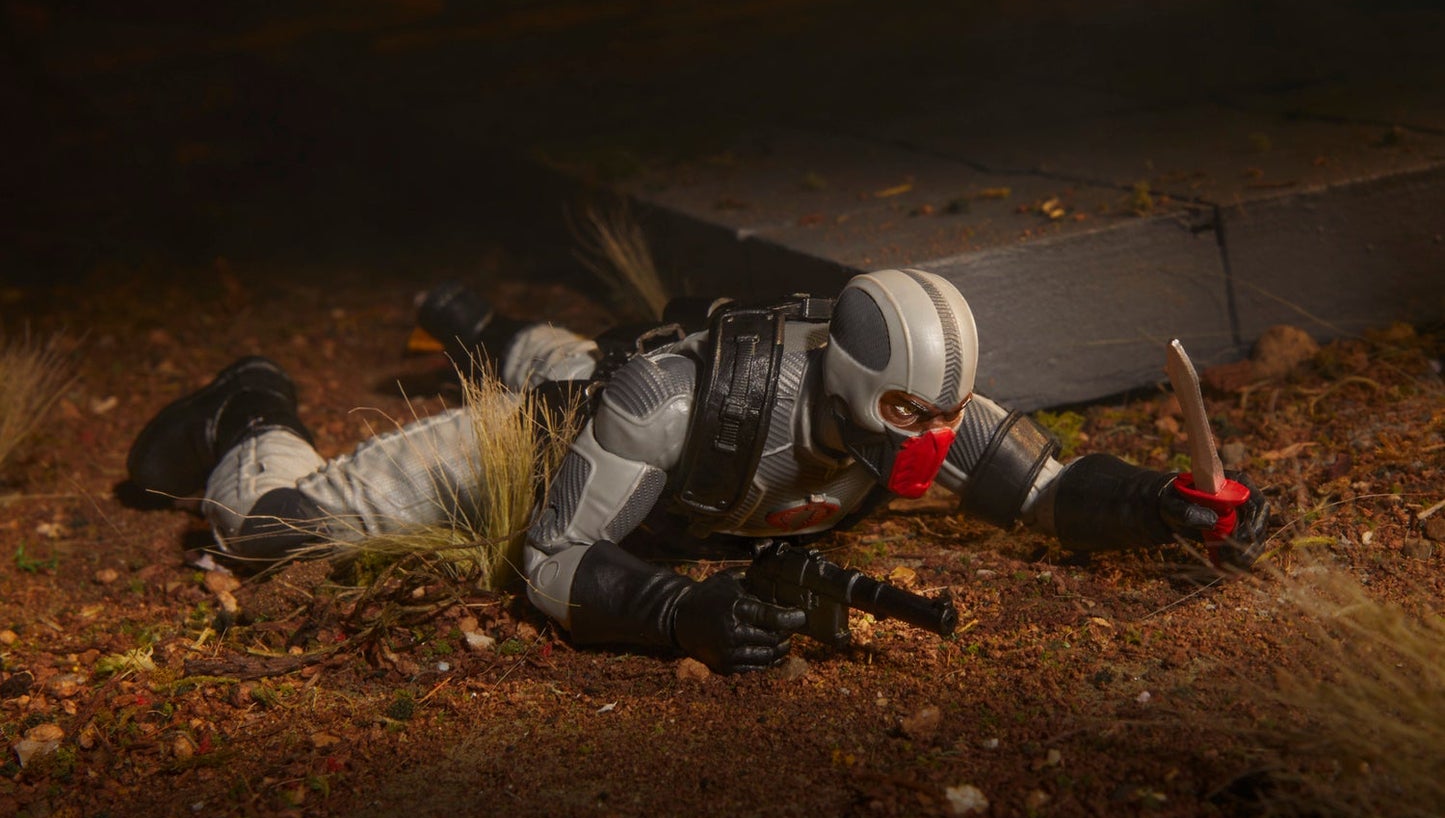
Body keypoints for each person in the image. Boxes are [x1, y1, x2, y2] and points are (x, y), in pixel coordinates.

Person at [125, 269, 1269, 673]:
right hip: (553, 438)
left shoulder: (916, 393)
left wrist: (1163, 505)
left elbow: (1048, 489)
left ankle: (484, 320)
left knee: (587, 361)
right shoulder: (675, 402)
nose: (936, 436)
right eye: (908, 416)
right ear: (849, 383)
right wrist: (680, 613)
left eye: (947, 412)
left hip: (629, 406)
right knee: (279, 526)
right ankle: (249, 406)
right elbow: (556, 557)